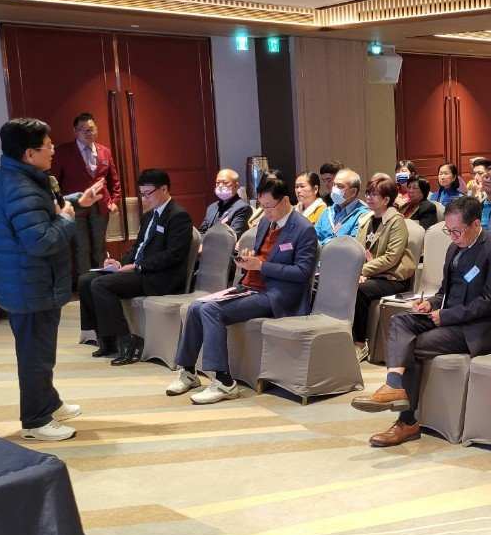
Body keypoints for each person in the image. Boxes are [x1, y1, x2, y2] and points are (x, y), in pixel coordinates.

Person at [351, 197, 491, 445]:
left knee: (410, 345)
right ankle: (394, 385)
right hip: (446, 318)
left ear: (476, 224)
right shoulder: (454, 248)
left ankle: (407, 421)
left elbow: (490, 302)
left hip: (473, 329)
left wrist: (445, 315)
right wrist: (432, 304)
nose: (453, 236)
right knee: (400, 321)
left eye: (458, 231)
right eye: (449, 230)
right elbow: (444, 292)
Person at [0, 118, 100, 441]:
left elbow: (40, 211)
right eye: (47, 146)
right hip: (30, 285)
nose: (53, 150)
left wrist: (75, 201)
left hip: (25, 282)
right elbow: (41, 240)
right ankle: (35, 421)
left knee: (39, 351)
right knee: (35, 355)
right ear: (28, 154)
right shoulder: (21, 187)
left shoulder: (8, 175)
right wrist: (67, 221)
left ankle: (49, 403)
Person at [166, 178, 318, 404]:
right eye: (262, 206)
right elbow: (261, 256)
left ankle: (224, 381)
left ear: (286, 201)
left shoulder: (304, 229)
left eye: (270, 206)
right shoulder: (265, 222)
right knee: (196, 306)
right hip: (251, 286)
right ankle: (188, 371)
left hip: (278, 296)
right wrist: (247, 261)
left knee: (211, 310)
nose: (265, 212)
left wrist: (262, 266)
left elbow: (302, 273)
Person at [79, 168, 194, 365]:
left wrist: (138, 266)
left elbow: (173, 255)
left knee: (101, 285)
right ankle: (106, 338)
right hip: (140, 271)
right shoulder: (149, 216)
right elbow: (138, 247)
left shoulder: (178, 216)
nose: (144, 199)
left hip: (160, 277)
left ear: (164, 189)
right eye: (142, 194)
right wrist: (120, 263)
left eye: (148, 193)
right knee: (85, 280)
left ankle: (126, 340)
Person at [351, 176, 418, 355]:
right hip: (372, 274)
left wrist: (362, 271)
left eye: (374, 194)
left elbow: (391, 258)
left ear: (386, 199)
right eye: (367, 193)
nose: (368, 198)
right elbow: (358, 249)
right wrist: (357, 272)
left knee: (359, 290)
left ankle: (360, 343)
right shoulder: (366, 219)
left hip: (393, 277)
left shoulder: (396, 221)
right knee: (344, 284)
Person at [51, 112, 121, 273]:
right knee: (81, 247)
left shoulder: (105, 151)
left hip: (101, 206)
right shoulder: (63, 151)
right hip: (76, 206)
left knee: (99, 246)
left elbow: (114, 181)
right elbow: (54, 182)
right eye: (84, 130)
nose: (89, 133)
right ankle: (85, 282)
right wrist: (60, 205)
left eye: (92, 129)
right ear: (75, 131)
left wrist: (114, 202)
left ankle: (100, 281)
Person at [314, 168, 367, 244]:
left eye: (340, 186)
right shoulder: (327, 212)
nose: (334, 189)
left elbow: (352, 244)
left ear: (353, 192)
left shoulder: (363, 215)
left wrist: (326, 243)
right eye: (334, 185)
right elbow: (313, 239)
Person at [200, 169, 253, 234]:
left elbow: (234, 235)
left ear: (236, 186)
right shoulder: (212, 207)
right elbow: (202, 231)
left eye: (225, 183)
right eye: (218, 183)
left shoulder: (242, 208)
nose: (220, 186)